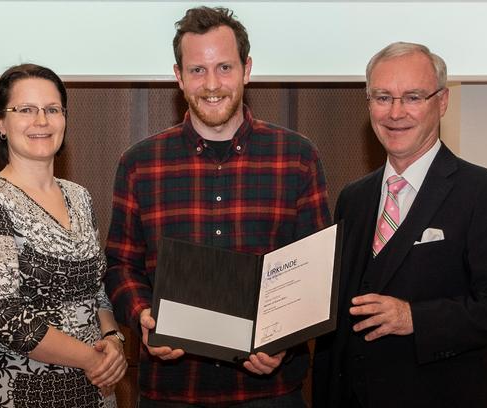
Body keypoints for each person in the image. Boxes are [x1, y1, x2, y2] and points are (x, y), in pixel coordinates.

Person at [104, 6, 331, 407]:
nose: (212, 84)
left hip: (271, 391)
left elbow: (316, 273)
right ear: (178, 76)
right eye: (197, 70)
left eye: (224, 67)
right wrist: (143, 315)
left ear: (247, 69)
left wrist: (285, 340)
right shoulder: (140, 163)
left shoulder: (297, 156)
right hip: (172, 390)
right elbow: (121, 265)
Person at [312, 42, 487, 408]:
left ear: (442, 101)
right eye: (382, 97)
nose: (395, 112)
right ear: (368, 104)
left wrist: (414, 317)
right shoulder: (353, 197)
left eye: (412, 97)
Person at [0, 63, 127, 408]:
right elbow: (3, 315)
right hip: (15, 392)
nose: (41, 121)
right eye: (25, 110)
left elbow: (96, 289)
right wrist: (92, 359)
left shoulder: (80, 196)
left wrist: (113, 339)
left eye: (52, 110)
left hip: (94, 390)